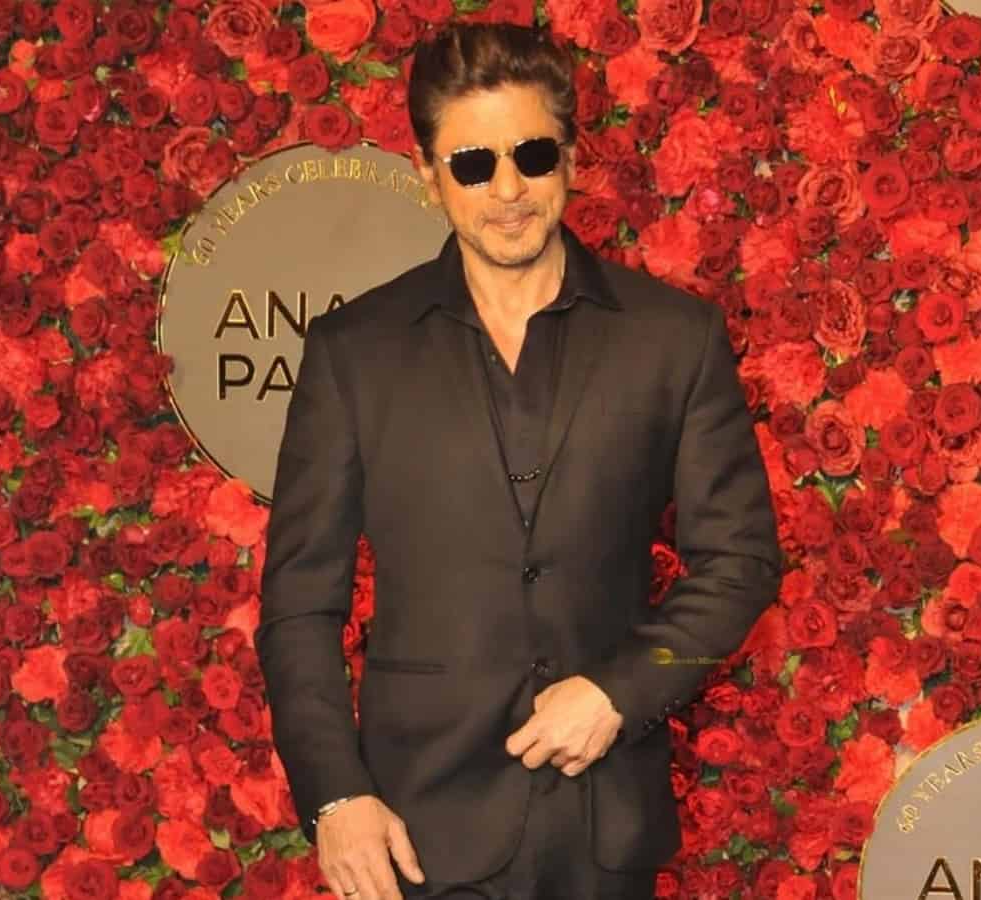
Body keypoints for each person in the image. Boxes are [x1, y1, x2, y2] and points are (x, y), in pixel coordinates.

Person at [254, 21, 783, 900]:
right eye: (472, 164)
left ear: (571, 158)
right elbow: (299, 605)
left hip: (604, 826)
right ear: (427, 175)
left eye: (532, 155)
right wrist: (336, 796)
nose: (507, 190)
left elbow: (742, 564)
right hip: (416, 829)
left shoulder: (673, 339)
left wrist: (619, 691)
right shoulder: (356, 352)